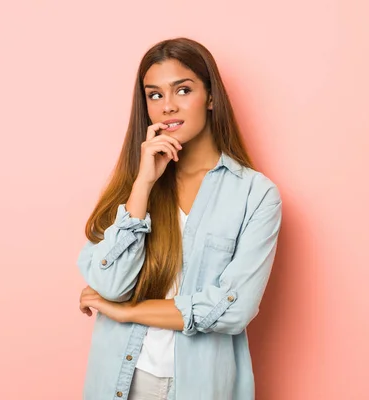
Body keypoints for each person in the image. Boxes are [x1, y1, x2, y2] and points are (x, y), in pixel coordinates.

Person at [76, 37, 283, 400]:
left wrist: (128, 313)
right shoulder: (131, 184)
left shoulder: (255, 195)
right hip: (120, 380)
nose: (168, 107)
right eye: (154, 95)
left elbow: (233, 309)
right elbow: (110, 285)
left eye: (182, 90)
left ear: (212, 97)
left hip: (199, 386)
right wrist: (142, 185)